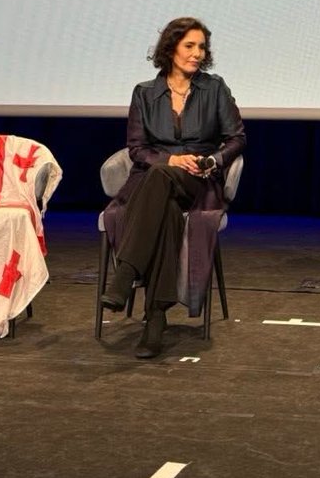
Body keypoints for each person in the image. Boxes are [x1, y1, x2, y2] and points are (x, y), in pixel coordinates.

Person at [100, 18, 246, 358]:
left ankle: (126, 273)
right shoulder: (145, 93)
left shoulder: (215, 88)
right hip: (154, 179)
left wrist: (210, 162)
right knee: (163, 202)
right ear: (171, 49)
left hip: (198, 177)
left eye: (202, 47)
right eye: (189, 46)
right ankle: (155, 318)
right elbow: (137, 148)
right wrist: (168, 161)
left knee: (159, 180)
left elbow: (236, 138)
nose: (198, 54)